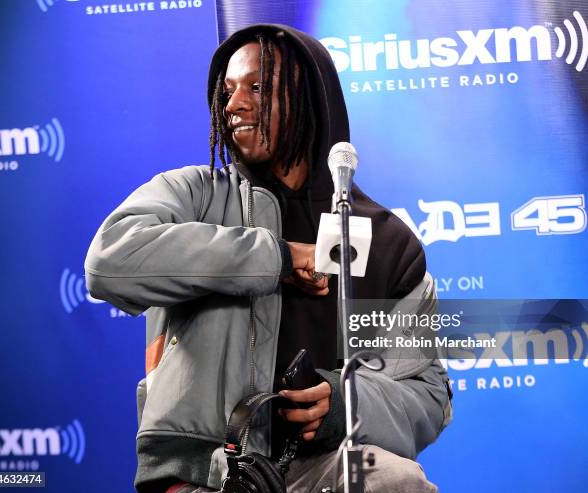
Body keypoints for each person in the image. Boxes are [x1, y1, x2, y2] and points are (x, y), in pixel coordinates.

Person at [85, 24, 452, 493]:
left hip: (323, 468)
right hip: (207, 473)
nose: (234, 105)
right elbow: (109, 261)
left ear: (309, 98)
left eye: (257, 87)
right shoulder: (194, 194)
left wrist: (344, 404)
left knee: (394, 480)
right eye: (229, 91)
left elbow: (426, 391)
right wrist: (272, 258)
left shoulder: (387, 241)